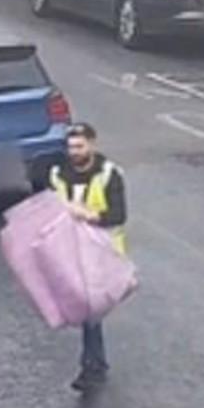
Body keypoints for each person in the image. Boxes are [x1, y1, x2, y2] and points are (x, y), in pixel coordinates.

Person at [49, 122, 128, 392]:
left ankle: (90, 367)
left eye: (80, 146)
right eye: (71, 147)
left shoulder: (108, 174)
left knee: (90, 310)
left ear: (92, 144)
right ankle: (96, 364)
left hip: (102, 251)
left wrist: (88, 215)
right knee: (87, 311)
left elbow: (119, 215)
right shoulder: (58, 173)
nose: (74, 152)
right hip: (71, 249)